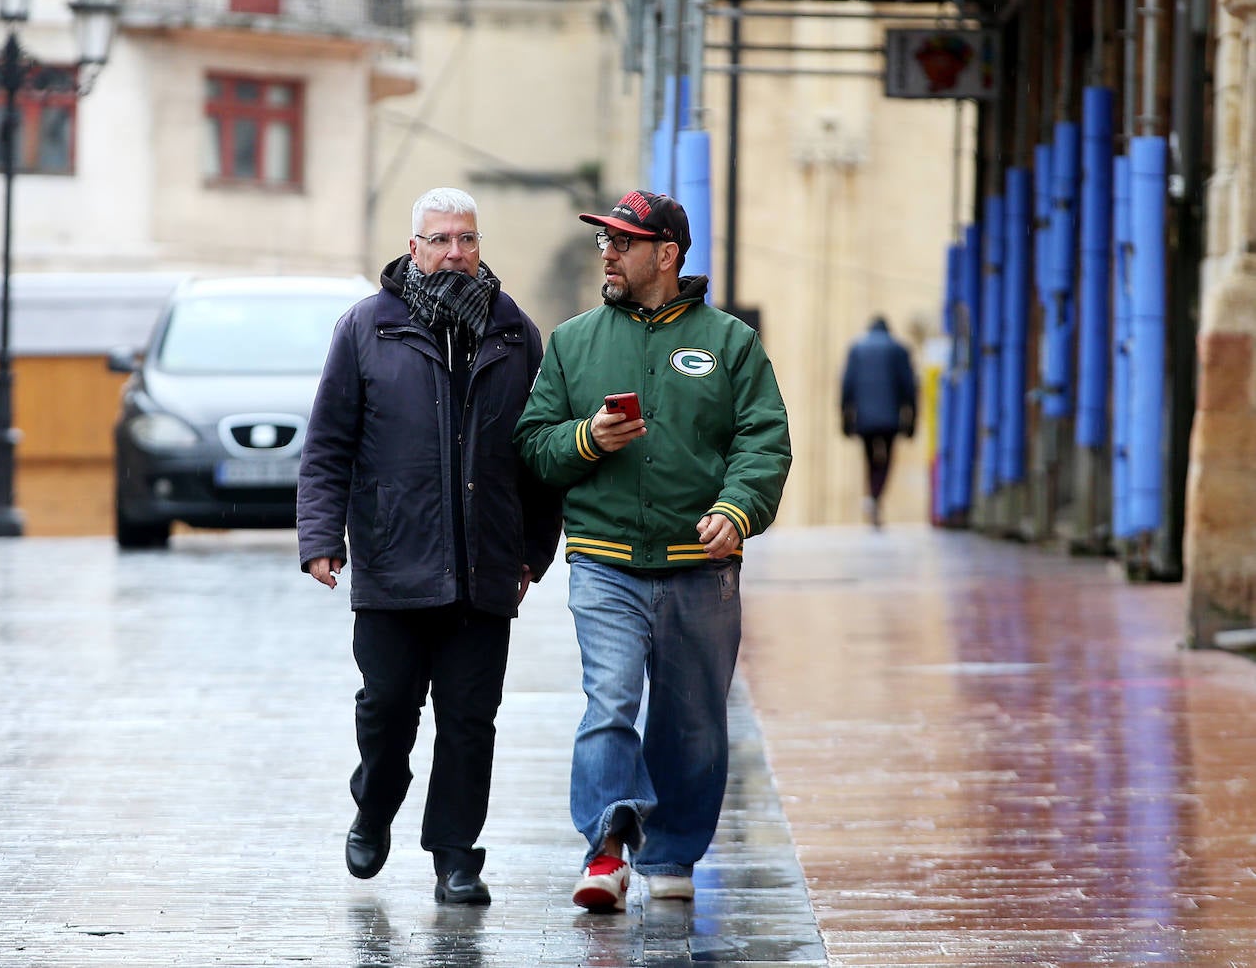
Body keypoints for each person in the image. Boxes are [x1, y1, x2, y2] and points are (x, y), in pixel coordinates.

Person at [514, 190, 791, 912]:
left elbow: (763, 441)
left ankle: (671, 852)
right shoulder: (572, 341)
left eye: (622, 242)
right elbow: (534, 447)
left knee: (692, 718)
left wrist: (737, 510)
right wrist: (585, 440)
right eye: (605, 241)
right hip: (603, 559)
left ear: (666, 254)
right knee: (609, 701)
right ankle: (606, 850)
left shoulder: (730, 343)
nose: (606, 252)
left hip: (703, 570)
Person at [296, 186, 561, 905]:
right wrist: (322, 536)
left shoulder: (514, 332)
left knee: (471, 721)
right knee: (386, 711)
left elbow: (539, 454)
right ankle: (374, 804)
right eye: (441, 239)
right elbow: (327, 446)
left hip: (485, 566)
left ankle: (455, 856)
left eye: (467, 239)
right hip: (392, 560)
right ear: (414, 247)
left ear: (480, 247)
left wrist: (534, 549)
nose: (455, 252)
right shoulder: (365, 328)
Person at [839, 315, 917, 529]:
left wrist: (844, 417)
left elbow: (847, 385)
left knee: (869, 458)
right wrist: (912, 420)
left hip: (864, 418)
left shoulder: (857, 349)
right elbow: (910, 387)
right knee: (887, 459)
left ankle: (872, 496)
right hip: (891, 418)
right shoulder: (899, 349)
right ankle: (875, 496)